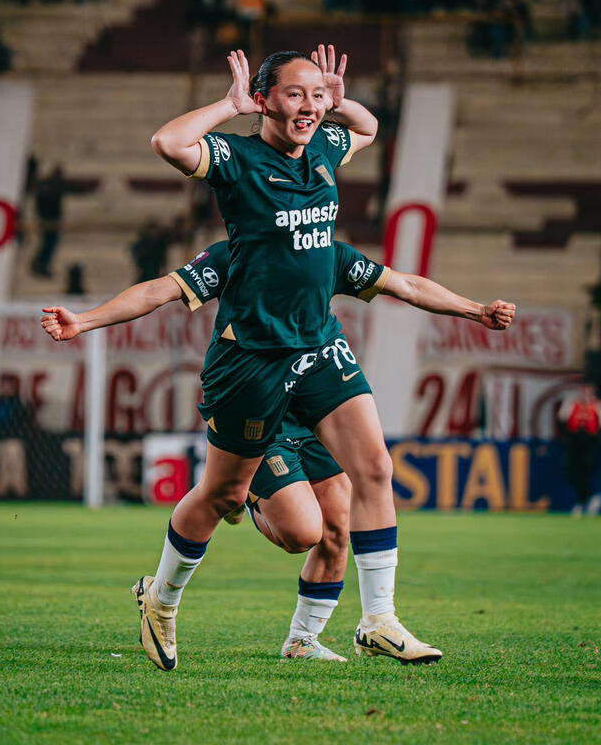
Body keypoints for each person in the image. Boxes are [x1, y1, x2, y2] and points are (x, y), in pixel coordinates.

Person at [108, 45, 514, 672]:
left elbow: (369, 127)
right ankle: (159, 600)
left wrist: (335, 98)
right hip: (252, 361)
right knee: (223, 494)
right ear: (264, 99)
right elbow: (167, 142)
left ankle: (379, 619)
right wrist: (228, 105)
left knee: (374, 467)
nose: (308, 107)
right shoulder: (237, 157)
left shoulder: (325, 146)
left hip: (319, 346)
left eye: (315, 96)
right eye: (294, 94)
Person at [41, 237, 516, 662]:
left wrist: (476, 310)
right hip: (257, 404)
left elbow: (406, 285)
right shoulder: (237, 251)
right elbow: (158, 290)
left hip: (316, 398)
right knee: (299, 531)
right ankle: (186, 563)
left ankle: (316, 636)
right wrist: (84, 320)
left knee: (344, 518)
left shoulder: (325, 249)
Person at [558, 383, 601, 516]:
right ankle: (588, 498)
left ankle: (583, 501)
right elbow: (562, 417)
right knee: (570, 470)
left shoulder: (597, 405)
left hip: (590, 439)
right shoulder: (572, 403)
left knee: (586, 470)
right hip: (574, 439)